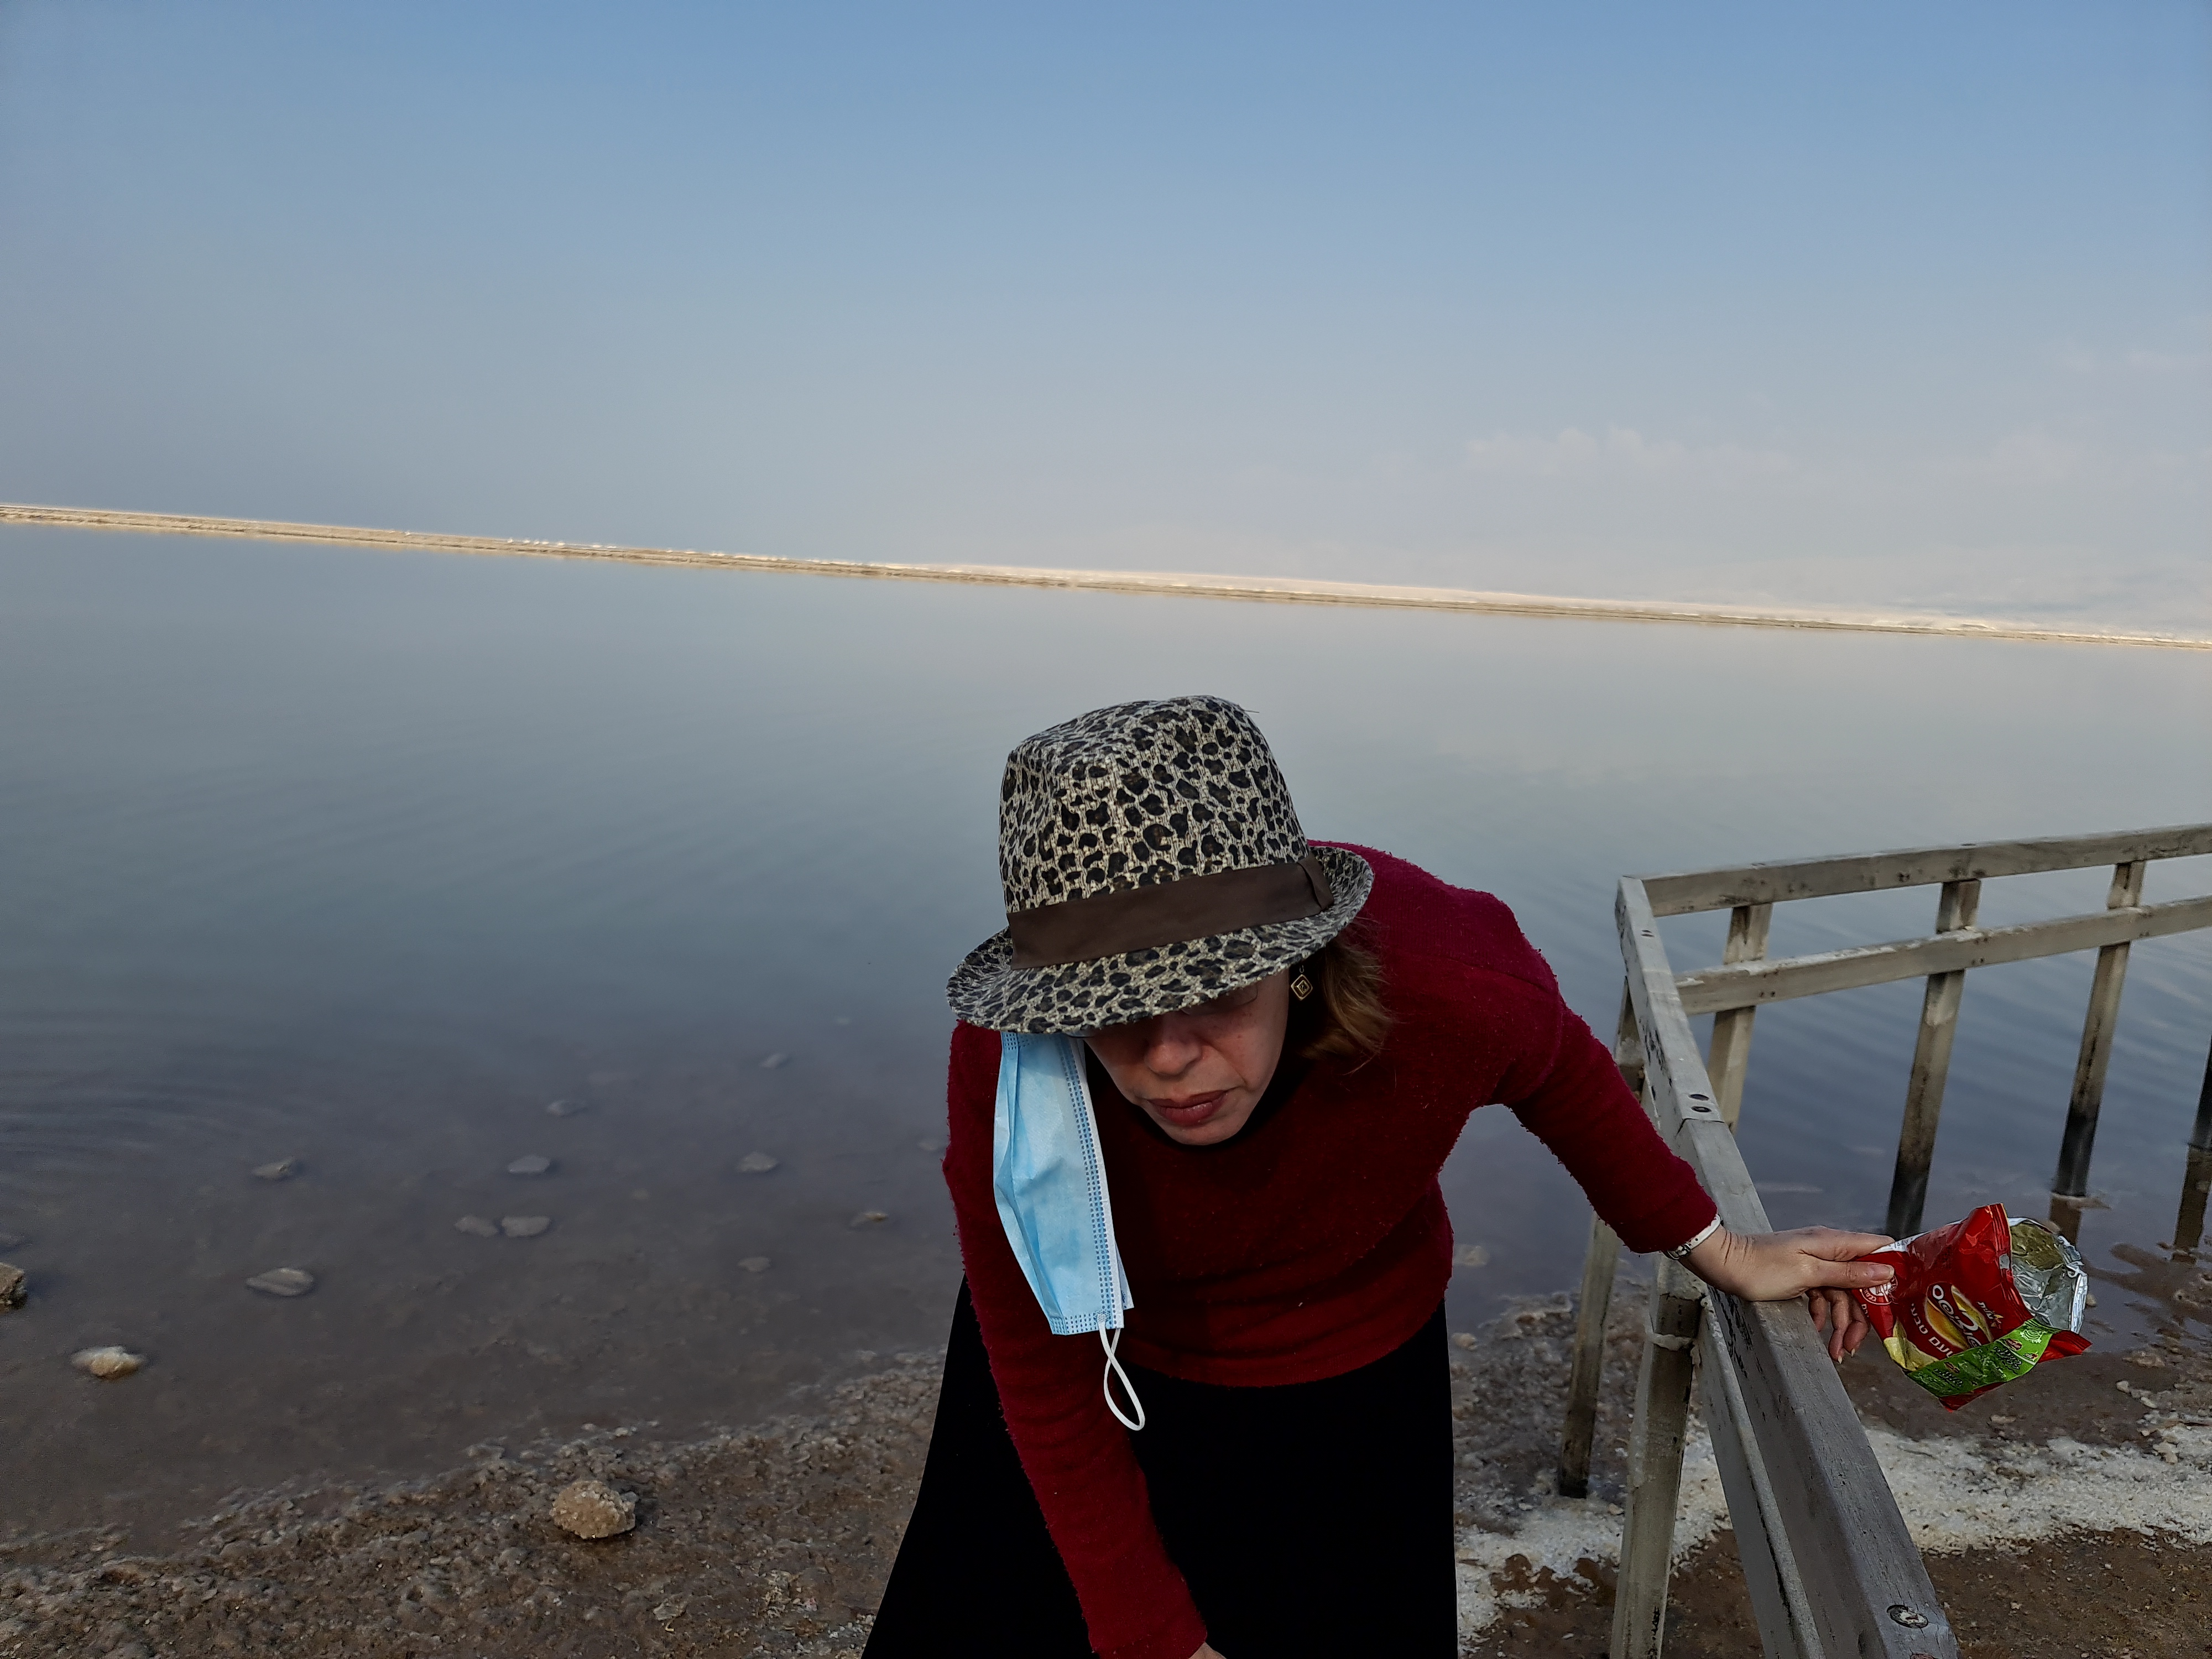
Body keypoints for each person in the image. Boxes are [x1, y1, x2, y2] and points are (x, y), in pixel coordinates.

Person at [864, 695, 1893, 1659]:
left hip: (1347, 1372)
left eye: (1216, 992)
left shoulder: (1449, 979)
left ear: (1297, 959)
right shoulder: (1014, 1062)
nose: (1170, 1057)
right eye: (1114, 1008)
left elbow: (1564, 1077)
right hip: (1096, 1343)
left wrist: (1716, 1245)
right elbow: (1035, 1363)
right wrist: (1153, 1634)